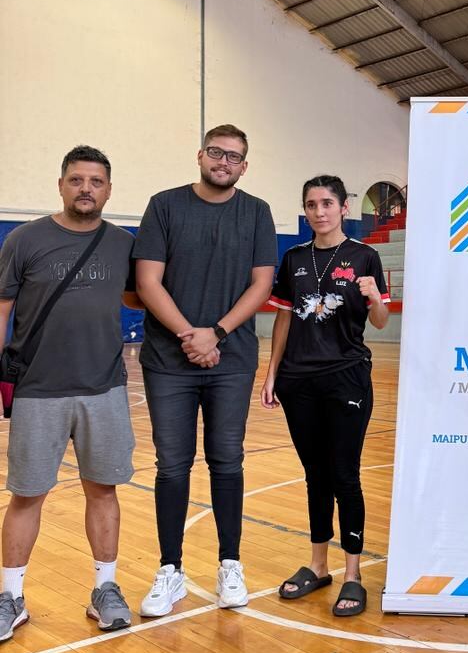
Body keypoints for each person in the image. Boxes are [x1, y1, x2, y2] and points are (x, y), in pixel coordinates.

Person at [134, 124, 276, 617]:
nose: (224, 162)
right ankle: (169, 570)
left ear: (244, 165)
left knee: (227, 461)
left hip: (231, 361)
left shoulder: (256, 212)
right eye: (217, 153)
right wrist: (190, 337)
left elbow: (261, 285)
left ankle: (229, 565)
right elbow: (148, 281)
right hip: (168, 362)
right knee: (172, 465)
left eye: (234, 156)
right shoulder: (164, 205)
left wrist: (214, 332)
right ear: (200, 155)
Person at [0, 146, 137, 641]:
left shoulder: (123, 243)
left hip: (104, 389)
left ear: (108, 189)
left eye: (96, 181)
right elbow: (2, 308)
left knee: (103, 489)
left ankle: (106, 589)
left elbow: (140, 294)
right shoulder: (25, 239)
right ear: (61, 185)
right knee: (26, 494)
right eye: (77, 179)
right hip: (38, 389)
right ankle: (10, 597)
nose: (86, 188)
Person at [260, 175, 389, 616]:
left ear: (344, 208)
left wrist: (375, 298)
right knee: (315, 474)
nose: (319, 212)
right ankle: (319, 565)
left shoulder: (364, 255)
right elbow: (282, 319)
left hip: (346, 378)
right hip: (299, 381)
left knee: (344, 475)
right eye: (312, 204)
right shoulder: (293, 257)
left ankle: (353, 574)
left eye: (327, 203)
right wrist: (272, 372)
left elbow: (381, 322)